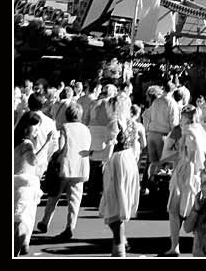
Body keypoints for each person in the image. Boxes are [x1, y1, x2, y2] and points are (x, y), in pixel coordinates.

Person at [37, 100, 91, 241]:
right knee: (74, 200)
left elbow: (60, 148)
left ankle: (45, 221)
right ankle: (70, 227)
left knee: (54, 196)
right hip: (80, 168)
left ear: (67, 115)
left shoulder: (65, 128)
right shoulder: (86, 129)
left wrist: (54, 157)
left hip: (65, 166)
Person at [160, 105, 206, 257]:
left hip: (185, 174)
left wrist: (165, 160)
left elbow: (181, 156)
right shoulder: (200, 130)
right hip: (193, 174)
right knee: (185, 210)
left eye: (183, 116)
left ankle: (178, 247)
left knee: (182, 211)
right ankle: (180, 247)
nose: (181, 119)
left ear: (187, 118)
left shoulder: (186, 132)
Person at [99, 111, 141, 257]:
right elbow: (136, 146)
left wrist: (91, 154)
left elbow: (108, 150)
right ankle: (121, 242)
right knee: (119, 203)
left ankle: (119, 247)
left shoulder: (114, 124)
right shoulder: (131, 123)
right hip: (128, 159)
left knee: (114, 204)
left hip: (118, 162)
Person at [14, 113, 43, 255]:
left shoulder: (15, 141)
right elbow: (33, 162)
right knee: (22, 222)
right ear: (27, 128)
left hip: (15, 183)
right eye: (35, 128)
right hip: (24, 187)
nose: (37, 132)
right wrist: (46, 144)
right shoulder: (27, 144)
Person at [146, 83, 179, 177]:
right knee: (162, 164)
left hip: (151, 134)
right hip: (162, 135)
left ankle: (151, 184)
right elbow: (174, 123)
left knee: (153, 163)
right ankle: (159, 186)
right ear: (172, 91)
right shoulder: (172, 103)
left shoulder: (156, 101)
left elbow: (148, 116)